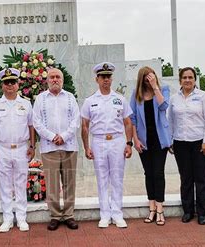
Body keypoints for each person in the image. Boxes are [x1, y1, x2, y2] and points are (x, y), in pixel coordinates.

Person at [81, 62, 133, 228]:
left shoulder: (120, 99)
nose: (106, 80)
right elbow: (85, 126)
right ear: (97, 79)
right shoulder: (90, 101)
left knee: (117, 178)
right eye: (103, 77)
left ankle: (117, 214)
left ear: (112, 78)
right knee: (102, 179)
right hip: (99, 141)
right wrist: (86, 147)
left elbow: (127, 123)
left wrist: (129, 143)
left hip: (117, 141)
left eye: (108, 76)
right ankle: (104, 214)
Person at [0, 68, 35, 233]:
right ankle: (7, 218)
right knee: (5, 185)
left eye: (13, 82)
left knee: (21, 184)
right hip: (2, 149)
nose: (10, 85)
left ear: (18, 84)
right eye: (7, 82)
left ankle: (21, 218)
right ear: (2, 85)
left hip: (21, 148)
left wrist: (32, 146)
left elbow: (31, 126)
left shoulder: (26, 104)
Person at [32, 68, 80, 231]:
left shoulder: (70, 97)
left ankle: (68, 215)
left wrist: (64, 136)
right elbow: (36, 122)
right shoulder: (40, 99)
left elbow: (76, 120)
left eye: (57, 77)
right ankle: (55, 216)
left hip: (69, 146)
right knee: (52, 183)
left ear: (62, 80)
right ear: (47, 80)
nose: (54, 80)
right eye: (51, 77)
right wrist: (53, 137)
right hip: (49, 147)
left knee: (69, 182)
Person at [168, 67, 205, 225]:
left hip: (201, 143)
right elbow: (170, 121)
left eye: (190, 77)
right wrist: (171, 141)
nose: (187, 80)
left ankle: (202, 212)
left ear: (195, 80)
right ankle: (188, 211)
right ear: (180, 80)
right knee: (186, 178)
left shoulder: (203, 96)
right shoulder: (174, 98)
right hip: (181, 143)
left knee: (201, 179)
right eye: (184, 77)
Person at [130, 66, 171, 226]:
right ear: (141, 79)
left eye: (151, 75)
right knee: (148, 173)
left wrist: (155, 87)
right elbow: (132, 117)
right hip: (144, 141)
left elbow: (163, 106)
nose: (149, 78)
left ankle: (160, 208)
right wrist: (135, 139)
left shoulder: (163, 89)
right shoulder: (136, 94)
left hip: (160, 140)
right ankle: (151, 207)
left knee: (158, 173)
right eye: (146, 76)